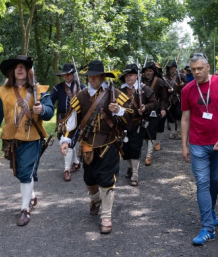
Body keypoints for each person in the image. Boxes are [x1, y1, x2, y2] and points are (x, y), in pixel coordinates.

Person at [60, 60, 130, 234]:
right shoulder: (81, 96)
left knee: (107, 180)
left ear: (102, 77)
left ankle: (106, 216)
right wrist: (65, 141)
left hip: (110, 143)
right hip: (88, 145)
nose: (92, 79)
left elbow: (132, 117)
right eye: (90, 76)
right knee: (89, 180)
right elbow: (71, 122)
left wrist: (119, 111)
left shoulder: (116, 94)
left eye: (96, 76)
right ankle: (95, 199)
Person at [0, 55, 54, 227]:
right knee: (19, 172)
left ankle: (24, 210)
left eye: (24, 66)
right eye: (17, 66)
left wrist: (42, 109)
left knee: (25, 172)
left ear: (29, 70)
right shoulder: (3, 91)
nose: (20, 69)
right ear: (12, 71)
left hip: (32, 137)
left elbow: (49, 111)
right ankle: (31, 196)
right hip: (11, 139)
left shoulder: (40, 90)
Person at [181, 53, 218, 245]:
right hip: (197, 143)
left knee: (214, 180)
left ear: (207, 67)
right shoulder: (187, 89)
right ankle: (207, 228)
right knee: (202, 182)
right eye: (193, 69)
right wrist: (184, 145)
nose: (196, 72)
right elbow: (185, 118)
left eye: (199, 69)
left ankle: (210, 210)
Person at [119, 63, 157, 186]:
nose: (128, 77)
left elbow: (154, 103)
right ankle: (130, 167)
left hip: (138, 125)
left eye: (130, 75)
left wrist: (145, 107)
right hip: (123, 125)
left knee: (135, 149)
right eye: (126, 75)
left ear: (137, 76)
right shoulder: (120, 90)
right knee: (125, 149)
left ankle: (135, 173)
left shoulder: (144, 89)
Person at [50, 63, 86, 182]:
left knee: (69, 144)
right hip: (62, 121)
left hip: (76, 120)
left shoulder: (81, 86)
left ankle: (66, 170)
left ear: (73, 74)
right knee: (66, 142)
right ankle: (76, 163)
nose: (67, 76)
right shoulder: (58, 87)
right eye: (65, 74)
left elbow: (88, 103)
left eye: (69, 74)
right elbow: (49, 101)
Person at [142, 61, 168, 164]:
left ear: (153, 72)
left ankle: (148, 155)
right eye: (146, 71)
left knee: (152, 131)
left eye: (150, 71)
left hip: (155, 109)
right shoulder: (140, 81)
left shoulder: (160, 82)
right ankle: (150, 149)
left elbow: (164, 98)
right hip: (143, 110)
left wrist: (163, 109)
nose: (148, 73)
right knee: (144, 132)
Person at [164, 60, 186, 139]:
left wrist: (182, 85)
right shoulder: (165, 77)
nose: (172, 70)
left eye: (173, 68)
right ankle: (172, 132)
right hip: (169, 99)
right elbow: (163, 88)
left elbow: (187, 85)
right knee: (170, 115)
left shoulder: (181, 76)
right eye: (170, 68)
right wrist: (167, 90)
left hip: (179, 98)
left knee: (179, 114)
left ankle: (179, 131)